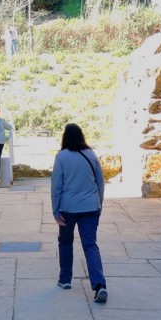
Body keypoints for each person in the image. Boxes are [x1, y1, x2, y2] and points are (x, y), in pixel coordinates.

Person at [50, 123, 107, 303]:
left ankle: (65, 279)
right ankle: (99, 286)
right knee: (90, 245)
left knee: (65, 241)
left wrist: (55, 210)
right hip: (91, 206)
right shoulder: (91, 155)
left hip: (68, 208)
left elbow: (56, 186)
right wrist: (99, 204)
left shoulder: (61, 157)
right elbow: (100, 183)